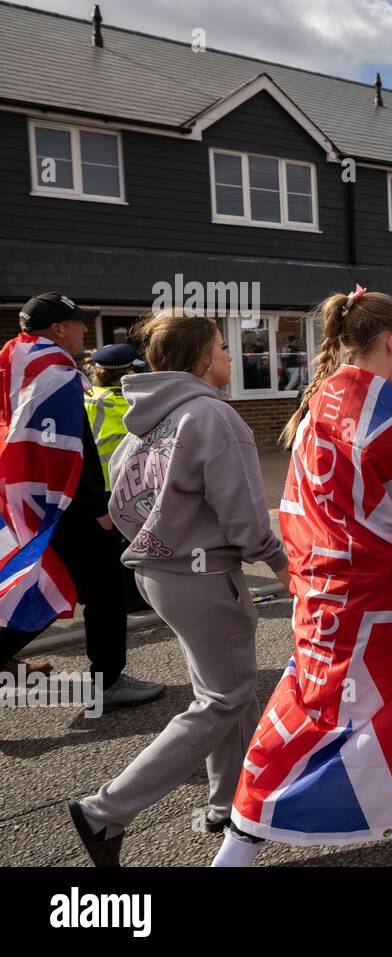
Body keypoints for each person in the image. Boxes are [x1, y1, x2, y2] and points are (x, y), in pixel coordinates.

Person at [212, 288, 392, 866]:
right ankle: (243, 836)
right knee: (314, 715)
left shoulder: (318, 398)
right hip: (372, 598)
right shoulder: (379, 405)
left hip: (323, 586)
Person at [67, 312, 291, 867]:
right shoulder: (213, 417)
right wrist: (283, 565)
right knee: (225, 697)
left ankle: (226, 805)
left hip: (160, 571)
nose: (231, 357)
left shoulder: (151, 415)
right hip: (203, 574)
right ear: (200, 359)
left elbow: (122, 498)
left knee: (225, 691)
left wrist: (160, 536)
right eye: (222, 347)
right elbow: (244, 519)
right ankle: (105, 810)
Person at [0, 293, 163, 708]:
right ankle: (107, 683)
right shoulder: (57, 371)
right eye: (77, 323)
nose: (84, 329)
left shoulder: (17, 359)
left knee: (47, 578)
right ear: (57, 329)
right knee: (103, 588)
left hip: (28, 493)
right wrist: (96, 507)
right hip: (66, 498)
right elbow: (72, 449)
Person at [84, 343, 148, 612]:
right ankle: (132, 597)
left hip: (97, 482)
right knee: (130, 541)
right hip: (127, 482)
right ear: (128, 370)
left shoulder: (86, 397)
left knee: (106, 545)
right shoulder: (132, 401)